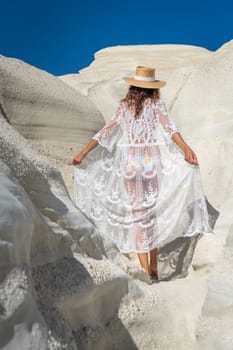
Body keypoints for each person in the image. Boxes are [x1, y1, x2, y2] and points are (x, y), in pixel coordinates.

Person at [72, 66, 212, 281]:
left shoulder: (123, 107)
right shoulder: (157, 105)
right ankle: (153, 264)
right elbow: (171, 130)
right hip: (150, 164)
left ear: (133, 86)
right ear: (152, 87)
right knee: (151, 214)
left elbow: (106, 131)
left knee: (138, 216)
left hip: (131, 166)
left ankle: (146, 269)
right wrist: (186, 149)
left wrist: (83, 152)